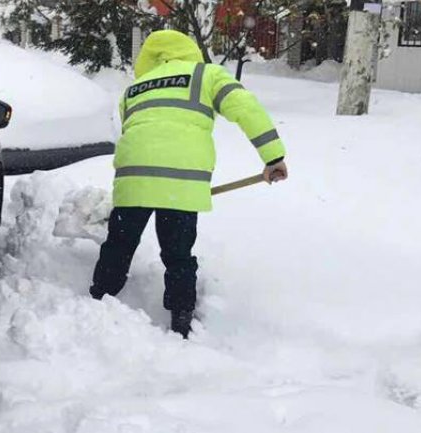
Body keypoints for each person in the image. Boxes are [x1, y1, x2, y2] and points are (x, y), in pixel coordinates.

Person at [89, 30, 288, 339]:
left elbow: (134, 130)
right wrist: (273, 156)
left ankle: (97, 303)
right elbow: (245, 108)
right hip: (180, 185)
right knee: (178, 254)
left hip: (133, 178)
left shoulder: (133, 89)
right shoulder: (205, 74)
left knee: (119, 244)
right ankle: (181, 322)